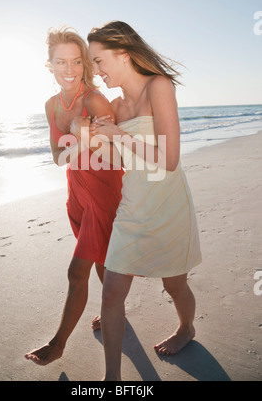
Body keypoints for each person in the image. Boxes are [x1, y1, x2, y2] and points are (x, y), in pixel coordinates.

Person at [87, 21, 202, 381]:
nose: (97, 71)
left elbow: (168, 159)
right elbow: (125, 160)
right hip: (133, 206)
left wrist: (118, 134)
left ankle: (186, 328)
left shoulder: (159, 86)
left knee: (174, 284)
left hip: (167, 204)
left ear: (123, 53)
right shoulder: (118, 106)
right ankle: (112, 380)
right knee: (110, 295)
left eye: (99, 61)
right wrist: (98, 139)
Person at [25, 26, 123, 366]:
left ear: (85, 65)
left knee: (76, 271)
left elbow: (118, 155)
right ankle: (114, 311)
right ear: (49, 65)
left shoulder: (94, 99)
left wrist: (88, 136)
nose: (69, 70)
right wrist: (77, 136)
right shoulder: (51, 105)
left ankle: (58, 344)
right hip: (77, 193)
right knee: (101, 259)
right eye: (61, 62)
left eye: (76, 62)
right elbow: (57, 157)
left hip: (104, 191)